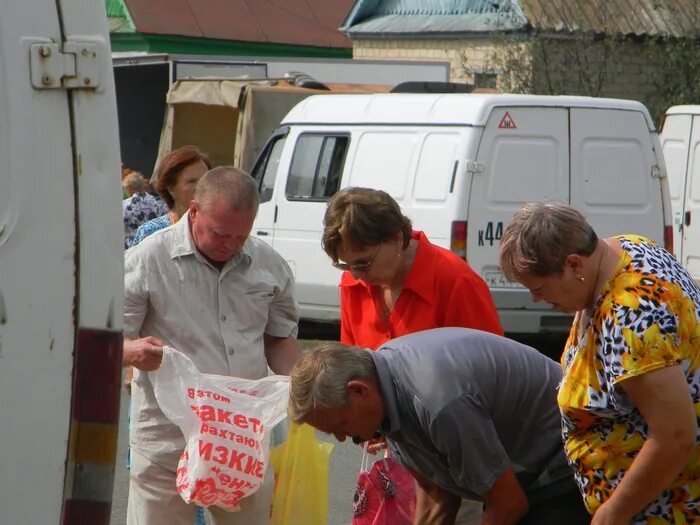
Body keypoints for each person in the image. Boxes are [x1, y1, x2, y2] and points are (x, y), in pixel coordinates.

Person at [498, 202, 700, 524]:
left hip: (664, 508)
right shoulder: (623, 247)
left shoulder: (631, 318)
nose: (536, 300)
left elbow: (675, 434)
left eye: (539, 288)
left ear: (574, 264)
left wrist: (613, 512)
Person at [123, 166, 301, 525]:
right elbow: (105, 338)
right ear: (193, 211)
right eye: (219, 233)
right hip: (166, 437)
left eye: (241, 235)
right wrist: (132, 351)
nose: (230, 244)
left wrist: (303, 386)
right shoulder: (147, 259)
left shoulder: (269, 265)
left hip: (241, 440)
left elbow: (279, 340)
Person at [322, 187, 502, 523]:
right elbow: (356, 367)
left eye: (363, 262)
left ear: (397, 237)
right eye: (345, 265)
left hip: (458, 454)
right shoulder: (354, 283)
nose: (357, 275)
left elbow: (491, 382)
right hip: (401, 454)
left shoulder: (455, 280)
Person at [289, 327, 590, 525]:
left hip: (566, 462)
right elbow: (437, 492)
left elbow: (509, 503)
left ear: (359, 391)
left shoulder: (437, 404)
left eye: (340, 425)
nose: (343, 439)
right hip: (523, 472)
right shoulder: (383, 386)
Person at [129, 145, 212, 247]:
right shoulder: (151, 233)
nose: (201, 186)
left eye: (205, 179)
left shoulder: (220, 229)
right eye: (191, 182)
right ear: (171, 189)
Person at [122, 171, 168, 248]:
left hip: (132, 250)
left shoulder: (125, 206)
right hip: (157, 246)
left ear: (129, 188)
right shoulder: (160, 202)